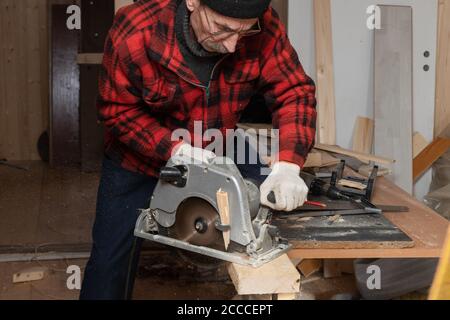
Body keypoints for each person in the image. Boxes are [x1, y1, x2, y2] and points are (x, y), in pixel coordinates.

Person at [80, 0, 317, 300]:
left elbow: (294, 91)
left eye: (244, 33)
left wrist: (288, 164)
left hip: (216, 146)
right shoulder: (136, 30)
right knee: (109, 263)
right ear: (193, 2)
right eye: (222, 29)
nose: (233, 46)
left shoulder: (265, 26)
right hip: (138, 157)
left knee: (266, 212)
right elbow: (116, 111)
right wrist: (174, 147)